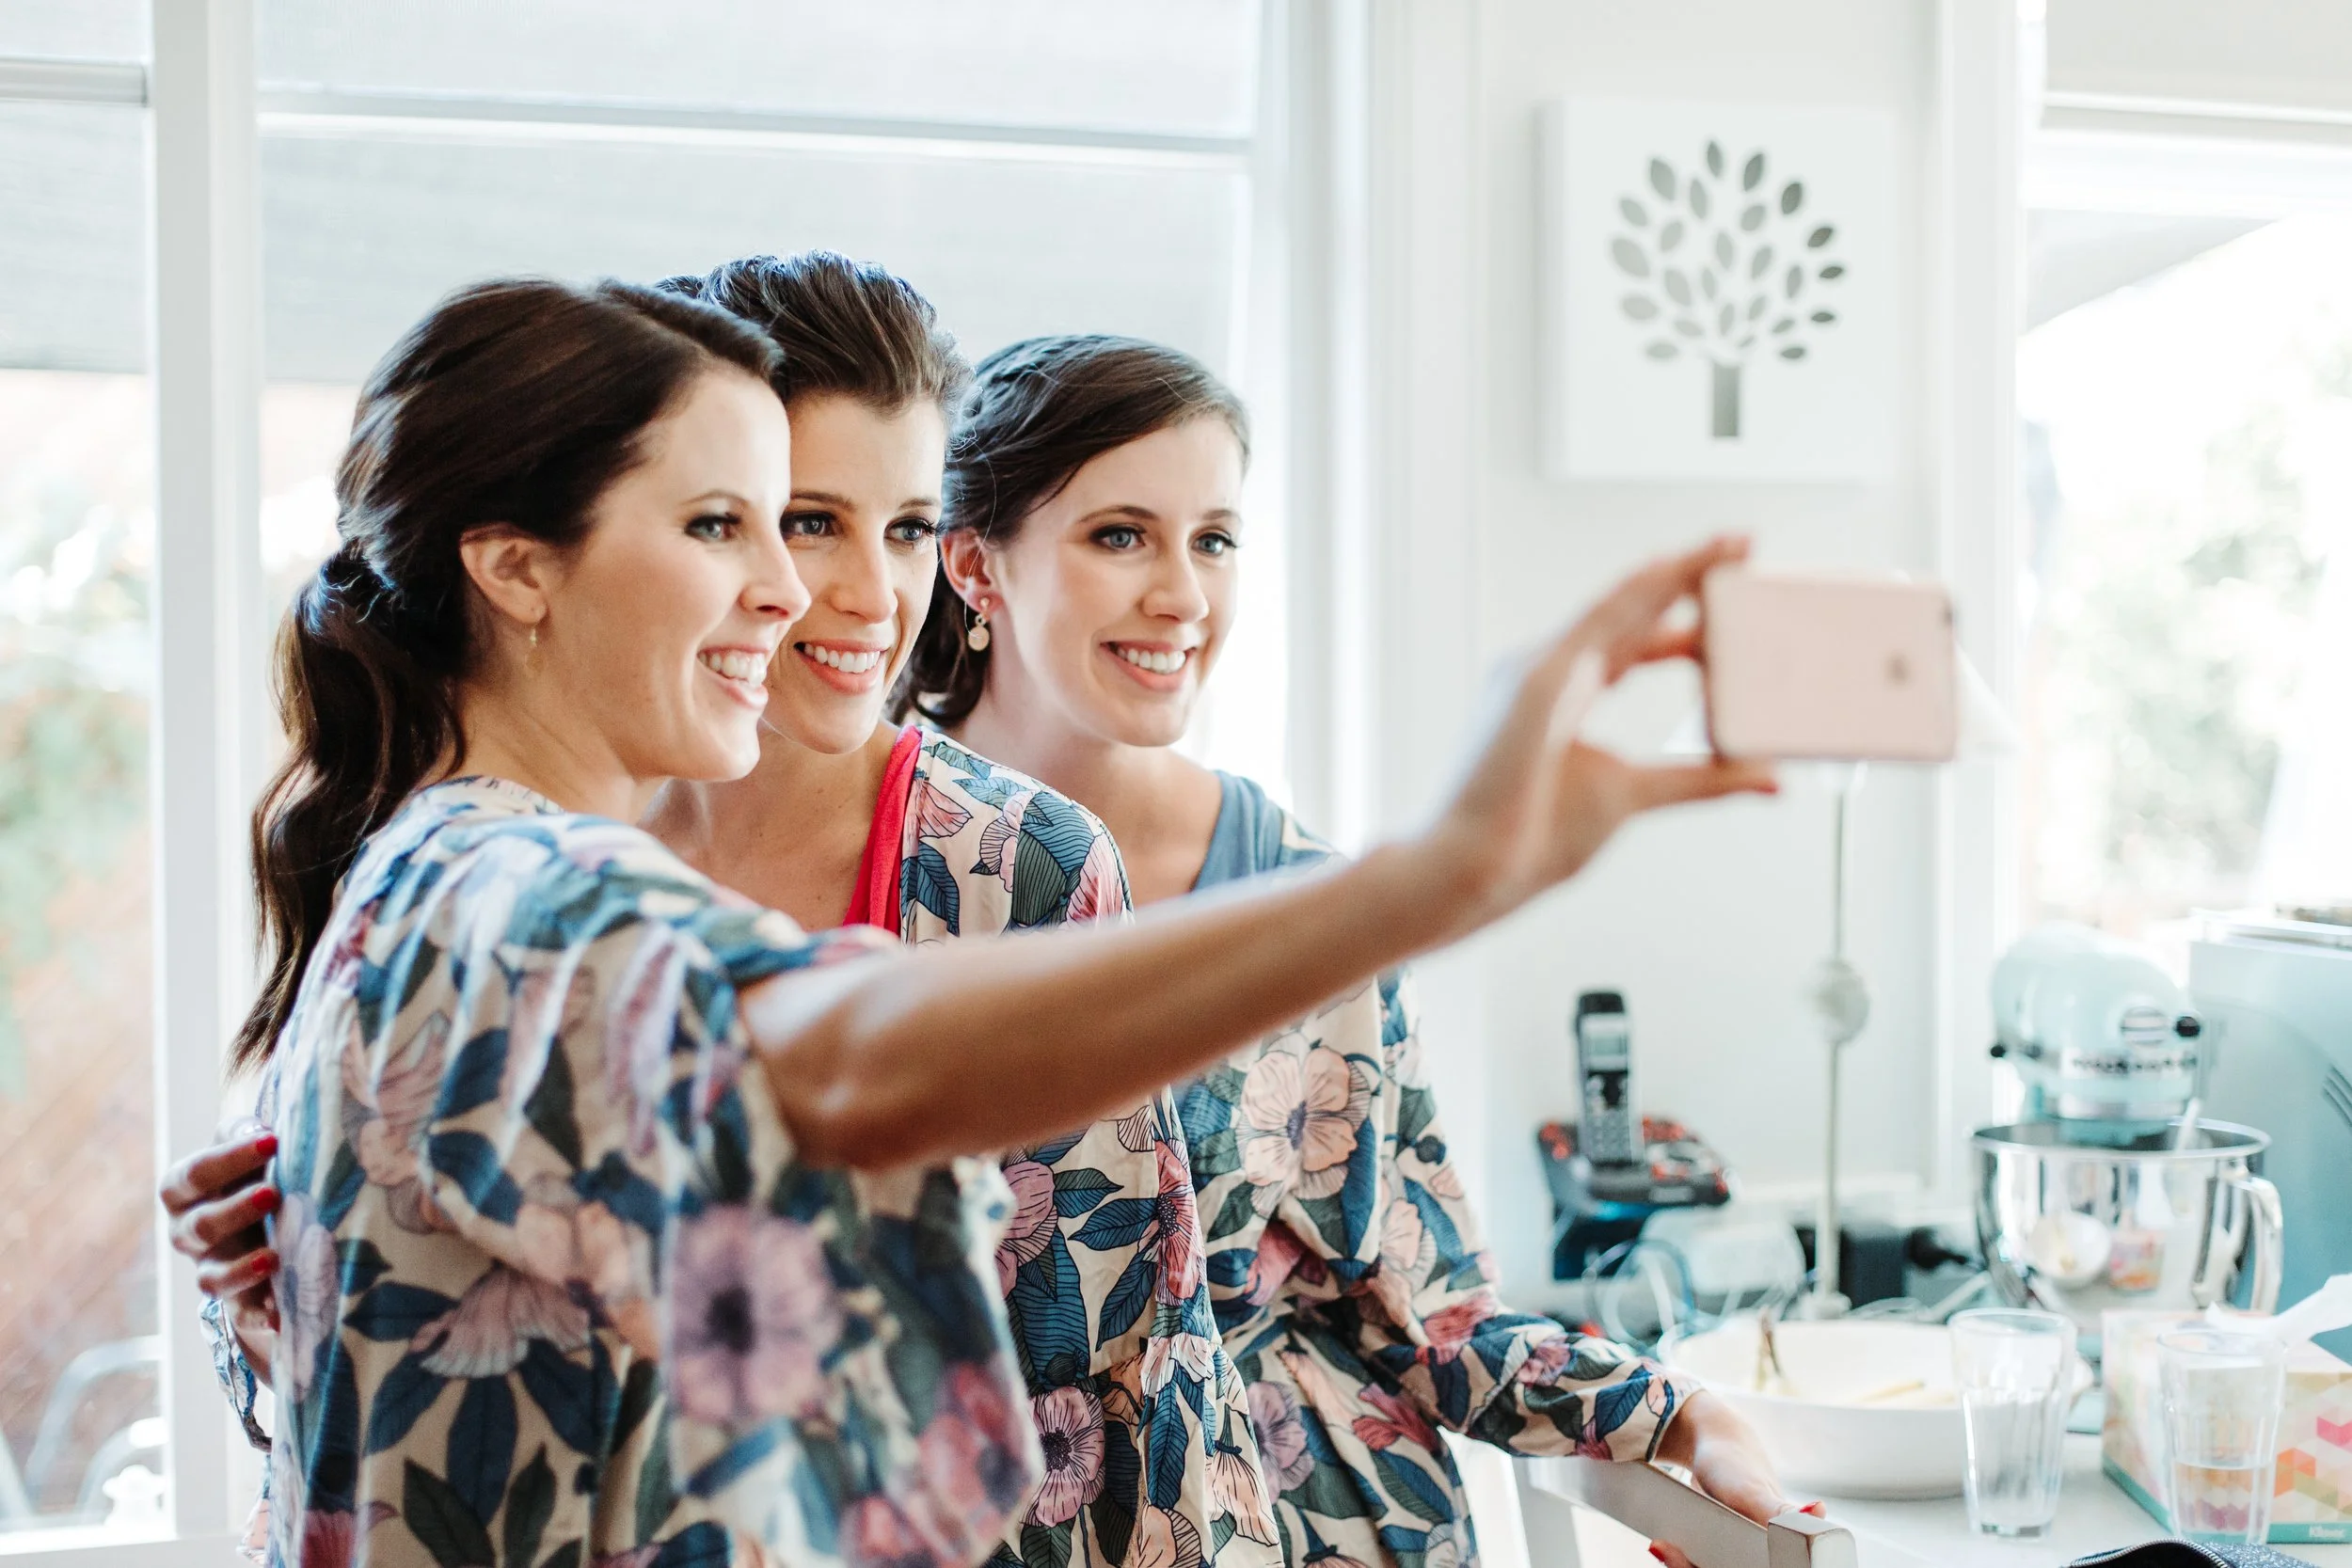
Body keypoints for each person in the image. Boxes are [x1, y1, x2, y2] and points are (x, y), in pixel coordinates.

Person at [190, 270, 1772, 1568]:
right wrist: (1436, 873)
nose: (816, 594)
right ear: (522, 570)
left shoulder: (449, 860)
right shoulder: (512, 887)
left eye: (879, 528)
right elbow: (840, 1069)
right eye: (734, 524)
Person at [172, 252, 1265, 1567]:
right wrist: (274, 1281)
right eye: (793, 519)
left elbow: (1132, 1373)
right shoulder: (509, 873)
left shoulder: (1017, 862)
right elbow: (373, 1399)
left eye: (910, 527)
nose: (856, 594)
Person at [898, 335, 1798, 1568]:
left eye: (1213, 538)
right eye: (1121, 535)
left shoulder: (1298, 891)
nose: (1182, 594)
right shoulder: (865, 850)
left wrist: (1679, 1413)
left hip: (1301, 1519)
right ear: (973, 564)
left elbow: (1421, 1304)